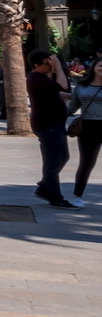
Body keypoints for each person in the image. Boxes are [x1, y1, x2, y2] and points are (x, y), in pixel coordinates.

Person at [27, 50, 76, 208]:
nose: (50, 66)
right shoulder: (36, 78)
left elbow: (56, 92)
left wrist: (63, 96)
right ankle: (55, 197)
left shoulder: (41, 79)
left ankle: (44, 187)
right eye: (47, 63)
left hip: (54, 124)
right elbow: (64, 85)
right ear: (36, 65)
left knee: (62, 158)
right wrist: (59, 68)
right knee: (52, 162)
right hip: (48, 126)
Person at [67, 58, 102, 208]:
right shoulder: (81, 85)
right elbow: (73, 106)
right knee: (86, 163)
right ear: (94, 66)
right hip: (88, 127)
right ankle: (77, 196)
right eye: (101, 65)